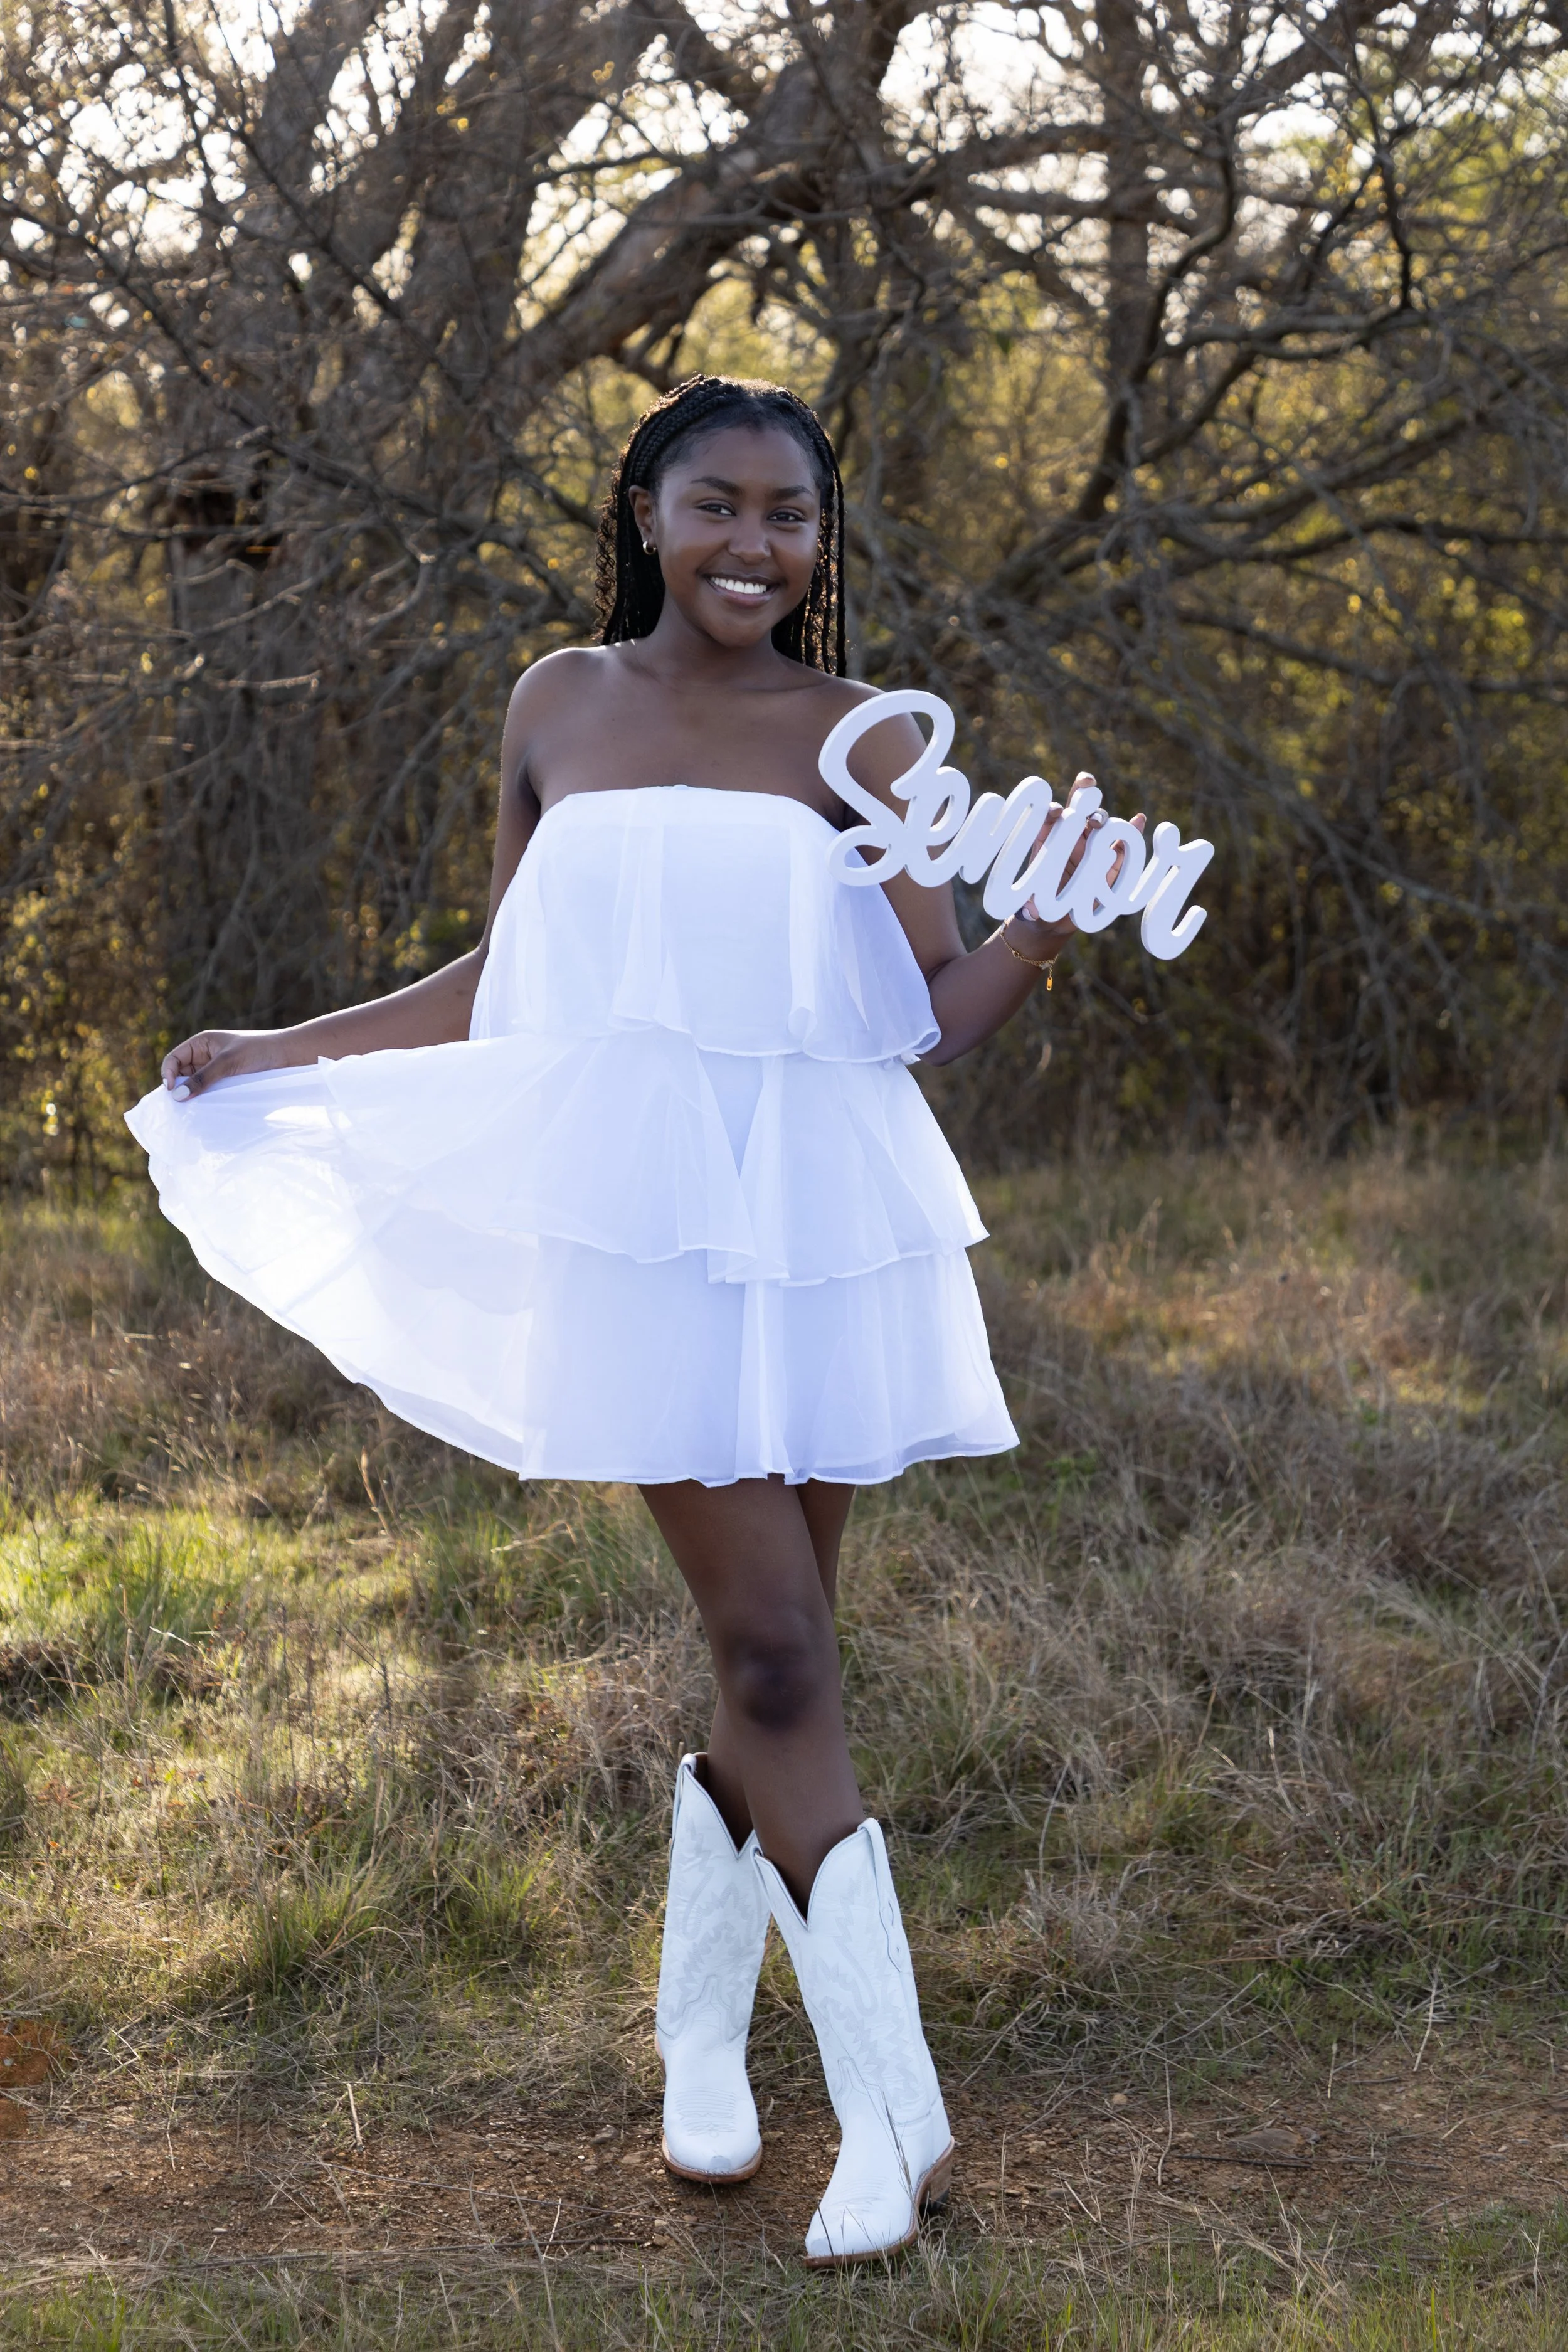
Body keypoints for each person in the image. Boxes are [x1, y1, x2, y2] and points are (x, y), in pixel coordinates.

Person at [126, 374, 1135, 2267]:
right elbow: (515, 974)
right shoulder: (557, 704)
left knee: (786, 1653)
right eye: (718, 506)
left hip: (823, 1208)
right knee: (772, 1656)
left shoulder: (864, 738)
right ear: (646, 513)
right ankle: (897, 2117)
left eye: (792, 516)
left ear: (823, 544)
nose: (755, 545)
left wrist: (1038, 940)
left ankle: (700, 2061)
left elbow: (927, 1018)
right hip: (639, 1216)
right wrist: (284, 1046)